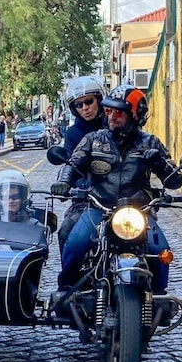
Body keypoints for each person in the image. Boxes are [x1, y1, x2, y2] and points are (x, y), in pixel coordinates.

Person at [51, 84, 182, 294]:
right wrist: (64, 183)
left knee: (161, 252)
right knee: (75, 243)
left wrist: (159, 162)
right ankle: (66, 288)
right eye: (109, 110)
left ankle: (159, 297)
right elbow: (74, 164)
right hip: (98, 208)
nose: (112, 116)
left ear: (135, 115)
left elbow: (175, 181)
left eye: (119, 112)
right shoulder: (93, 140)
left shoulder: (149, 142)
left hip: (139, 212)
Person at [56, 76, 108, 254]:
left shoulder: (115, 125)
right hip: (88, 199)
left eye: (89, 101)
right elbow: (70, 164)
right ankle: (67, 281)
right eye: (79, 105)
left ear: (99, 100)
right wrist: (66, 184)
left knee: (153, 239)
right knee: (66, 232)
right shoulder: (72, 134)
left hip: (121, 195)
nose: (85, 108)